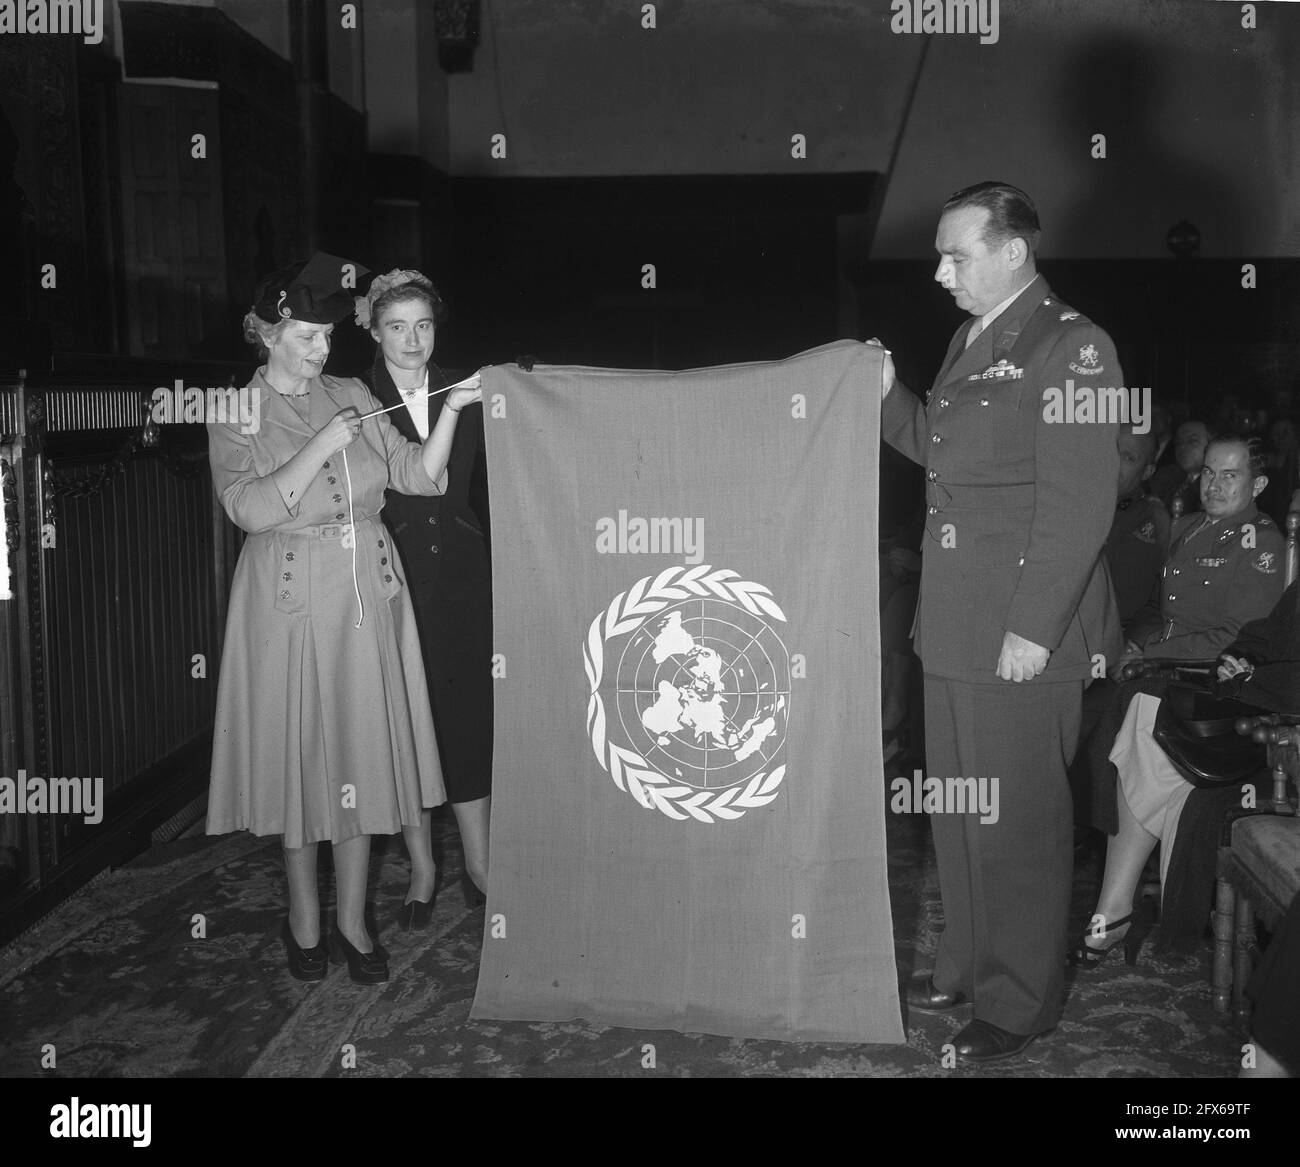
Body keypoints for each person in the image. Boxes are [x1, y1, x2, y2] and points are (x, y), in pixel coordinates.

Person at [870, 181, 1122, 1063]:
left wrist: (1035, 628)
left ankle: (1019, 1004)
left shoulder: (1075, 348)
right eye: (940, 255)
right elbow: (941, 449)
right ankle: (970, 963)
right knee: (959, 812)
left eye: (956, 254)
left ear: (1014, 251)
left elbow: (1081, 504)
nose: (941, 272)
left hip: (1020, 630)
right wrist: (888, 392)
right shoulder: (970, 337)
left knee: (1018, 824)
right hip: (954, 624)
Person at [206, 253, 482, 984]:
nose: (321, 351)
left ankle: (353, 922)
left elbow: (417, 474)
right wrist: (320, 446)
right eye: (306, 337)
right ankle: (303, 919)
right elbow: (249, 508)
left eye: (327, 335)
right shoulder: (234, 412)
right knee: (305, 770)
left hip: (368, 598)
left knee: (361, 763)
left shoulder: (353, 391)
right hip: (290, 603)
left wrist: (451, 408)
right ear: (267, 333)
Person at [357, 269, 493, 915]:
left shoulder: (469, 387)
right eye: (396, 326)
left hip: (466, 573)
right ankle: (421, 868)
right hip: (391, 572)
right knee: (405, 719)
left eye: (424, 324)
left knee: (467, 714)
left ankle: (480, 860)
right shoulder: (351, 397)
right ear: (373, 330)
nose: (412, 340)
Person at [1076, 577, 1297, 967]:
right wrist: (1240, 660)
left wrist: (1251, 679)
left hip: (1284, 740)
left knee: (1164, 762)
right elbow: (1262, 635)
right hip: (1257, 706)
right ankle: (1113, 909)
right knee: (1142, 703)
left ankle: (1115, 915)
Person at [1149, 418, 1208, 517]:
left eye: (1192, 441)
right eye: (1178, 443)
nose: (1182, 447)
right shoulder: (1166, 477)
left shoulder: (1214, 486)